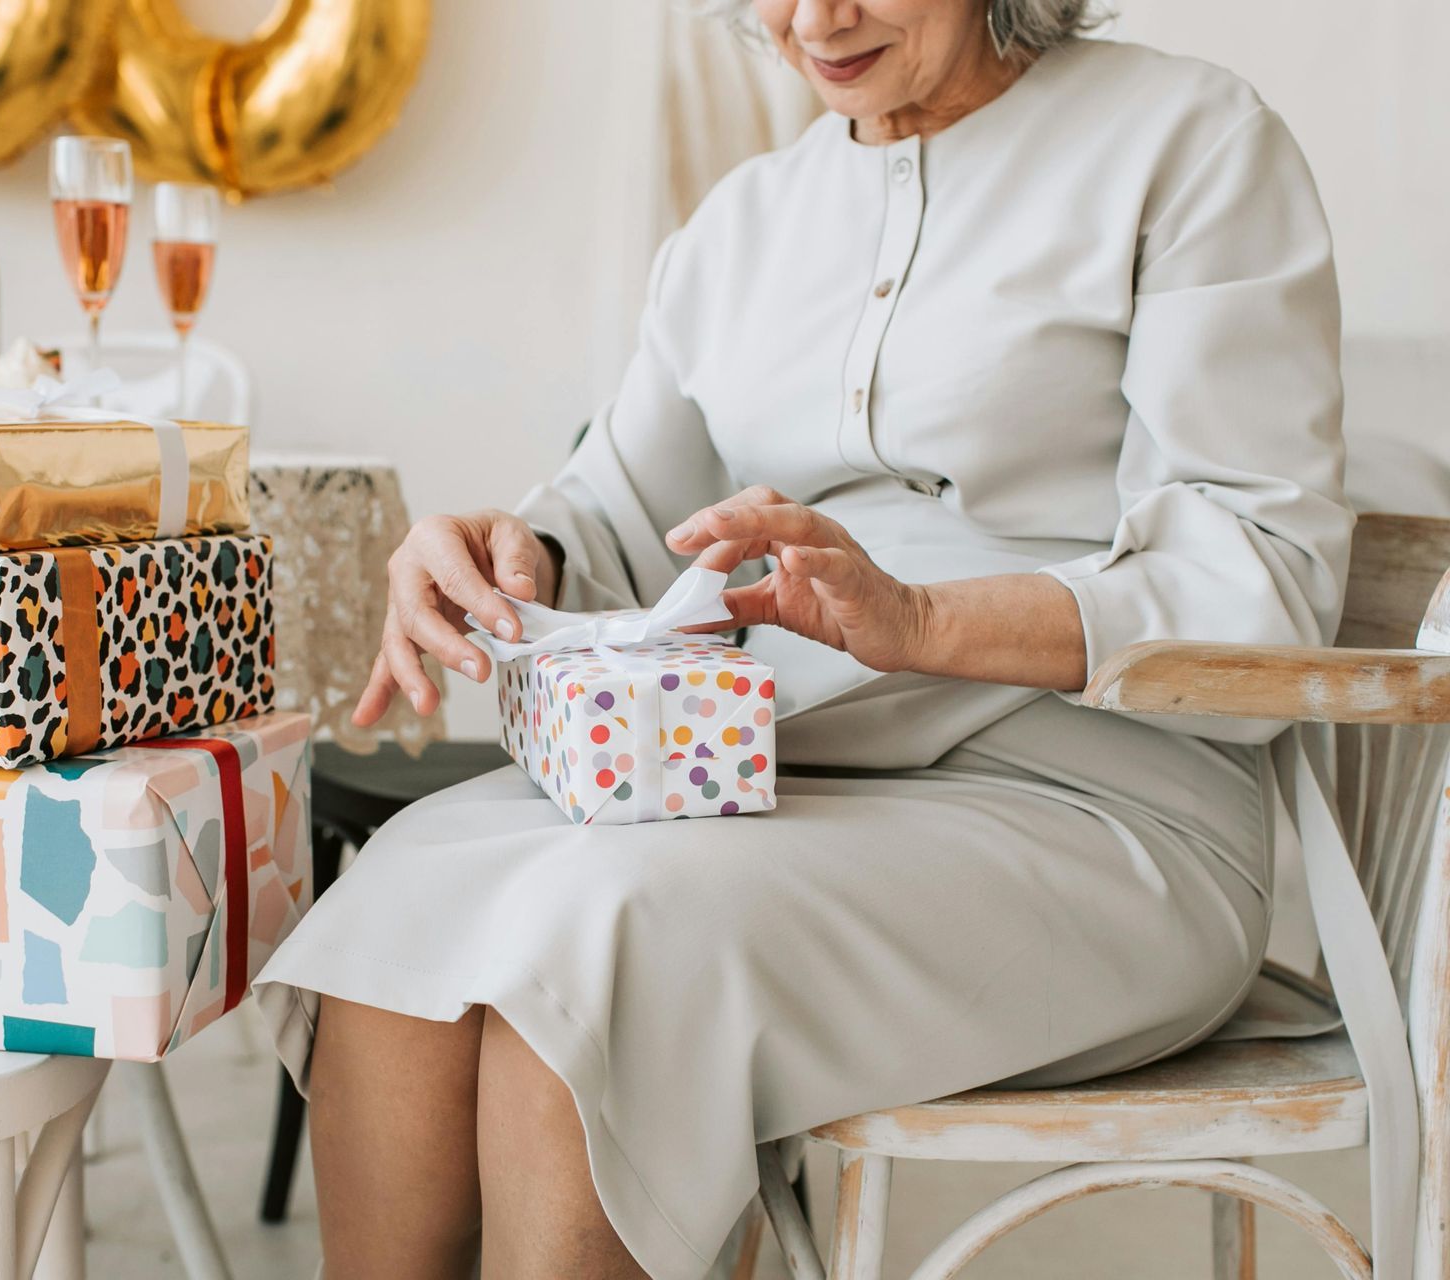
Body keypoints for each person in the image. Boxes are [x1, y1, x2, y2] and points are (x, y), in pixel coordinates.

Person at [255, 2, 1352, 1275]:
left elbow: (1263, 580)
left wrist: (923, 622)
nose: (815, 19)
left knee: (597, 956)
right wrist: (513, 553)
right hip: (770, 788)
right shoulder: (745, 222)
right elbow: (619, 517)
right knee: (405, 888)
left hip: (1101, 813)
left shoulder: (1190, 142)